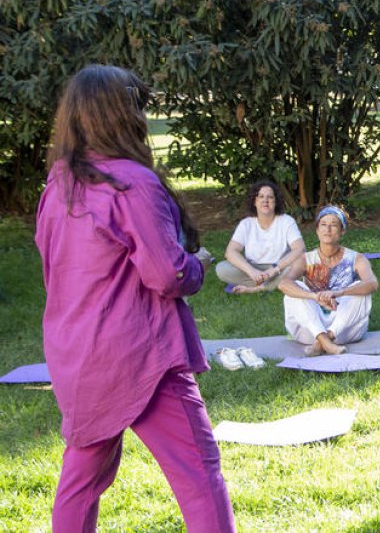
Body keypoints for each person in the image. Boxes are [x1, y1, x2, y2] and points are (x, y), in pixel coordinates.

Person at [34, 65, 235, 531]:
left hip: (77, 357)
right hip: (143, 358)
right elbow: (166, 274)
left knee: (79, 484)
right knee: (198, 475)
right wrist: (196, 266)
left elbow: (57, 270)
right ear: (125, 112)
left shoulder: (58, 183)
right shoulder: (132, 182)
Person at [278, 206, 379, 356]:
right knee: (296, 288)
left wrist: (339, 292)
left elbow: (372, 284)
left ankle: (323, 341)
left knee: (360, 288)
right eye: (323, 225)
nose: (328, 229)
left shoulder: (356, 258)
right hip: (310, 329)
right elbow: (283, 284)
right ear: (317, 230)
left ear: (342, 231)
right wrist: (314, 297)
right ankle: (324, 340)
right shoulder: (306, 259)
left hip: (344, 330)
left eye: (333, 225)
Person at [216, 180, 305, 293]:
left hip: (280, 268)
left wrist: (274, 270)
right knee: (221, 269)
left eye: (270, 197)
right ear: (255, 201)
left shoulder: (286, 221)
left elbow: (300, 249)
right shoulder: (246, 223)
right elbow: (230, 252)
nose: (265, 200)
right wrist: (252, 271)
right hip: (254, 268)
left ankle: (258, 288)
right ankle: (272, 283)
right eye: (261, 196)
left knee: (300, 264)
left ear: (276, 201)